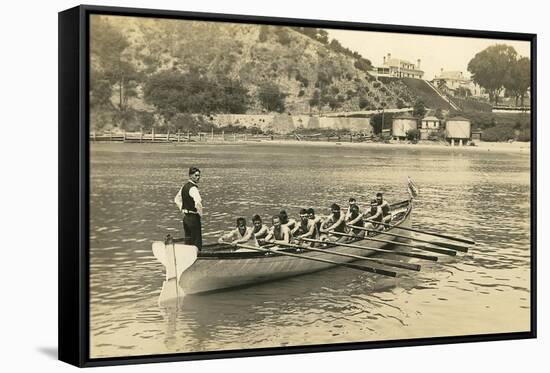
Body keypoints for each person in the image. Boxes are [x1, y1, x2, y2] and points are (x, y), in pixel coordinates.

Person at [174, 166, 203, 250]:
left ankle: (187, 257)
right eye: (196, 175)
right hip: (193, 217)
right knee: (196, 241)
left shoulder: (184, 187)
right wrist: (200, 214)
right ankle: (197, 256)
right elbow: (198, 202)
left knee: (188, 240)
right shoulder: (193, 188)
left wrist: (183, 210)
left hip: (186, 218)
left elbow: (176, 200)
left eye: (199, 176)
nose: (198, 177)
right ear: (190, 176)